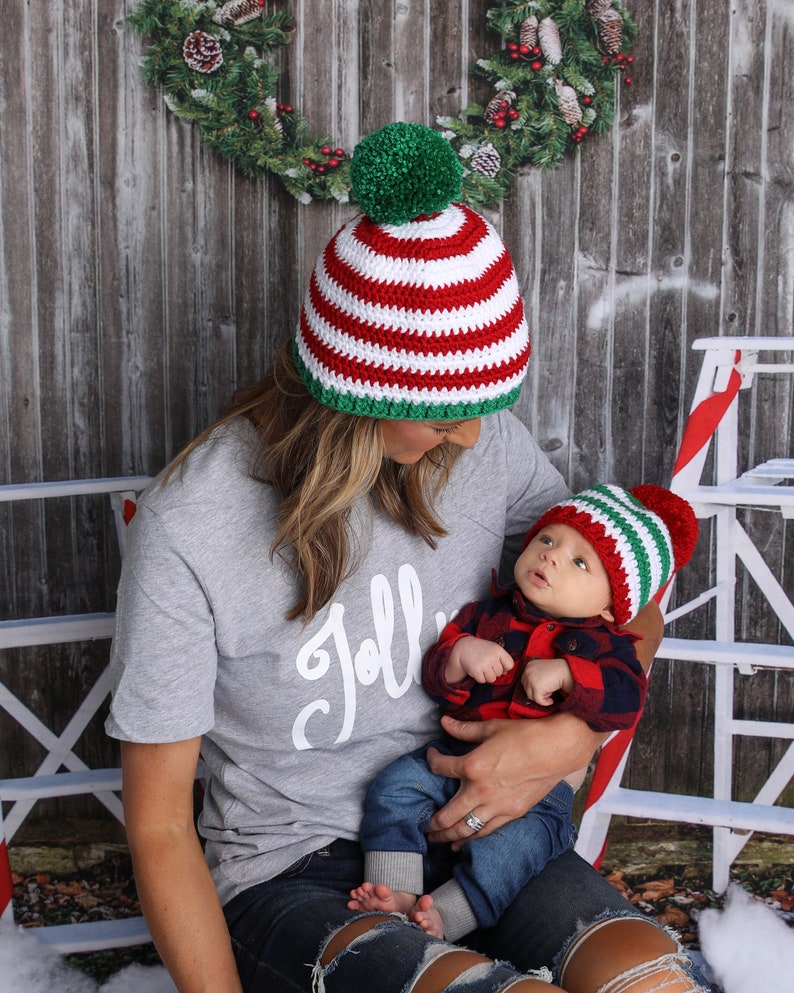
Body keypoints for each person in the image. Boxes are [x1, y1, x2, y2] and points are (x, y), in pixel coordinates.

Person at [107, 122, 712, 993]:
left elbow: (629, 601)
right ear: (359, 395)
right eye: (445, 414)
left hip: (476, 833)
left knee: (658, 984)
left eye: (484, 404)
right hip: (292, 874)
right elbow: (160, 822)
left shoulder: (479, 438)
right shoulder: (193, 523)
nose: (472, 432)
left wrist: (566, 738)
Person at [349, 483, 698, 941]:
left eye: (579, 562)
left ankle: (453, 914)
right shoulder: (488, 614)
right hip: (452, 758)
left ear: (613, 608)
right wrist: (458, 657)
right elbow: (438, 681)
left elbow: (625, 699)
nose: (551, 557)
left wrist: (573, 676)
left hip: (539, 796)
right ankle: (395, 889)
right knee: (394, 786)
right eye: (548, 540)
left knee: (516, 849)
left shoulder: (607, 646)